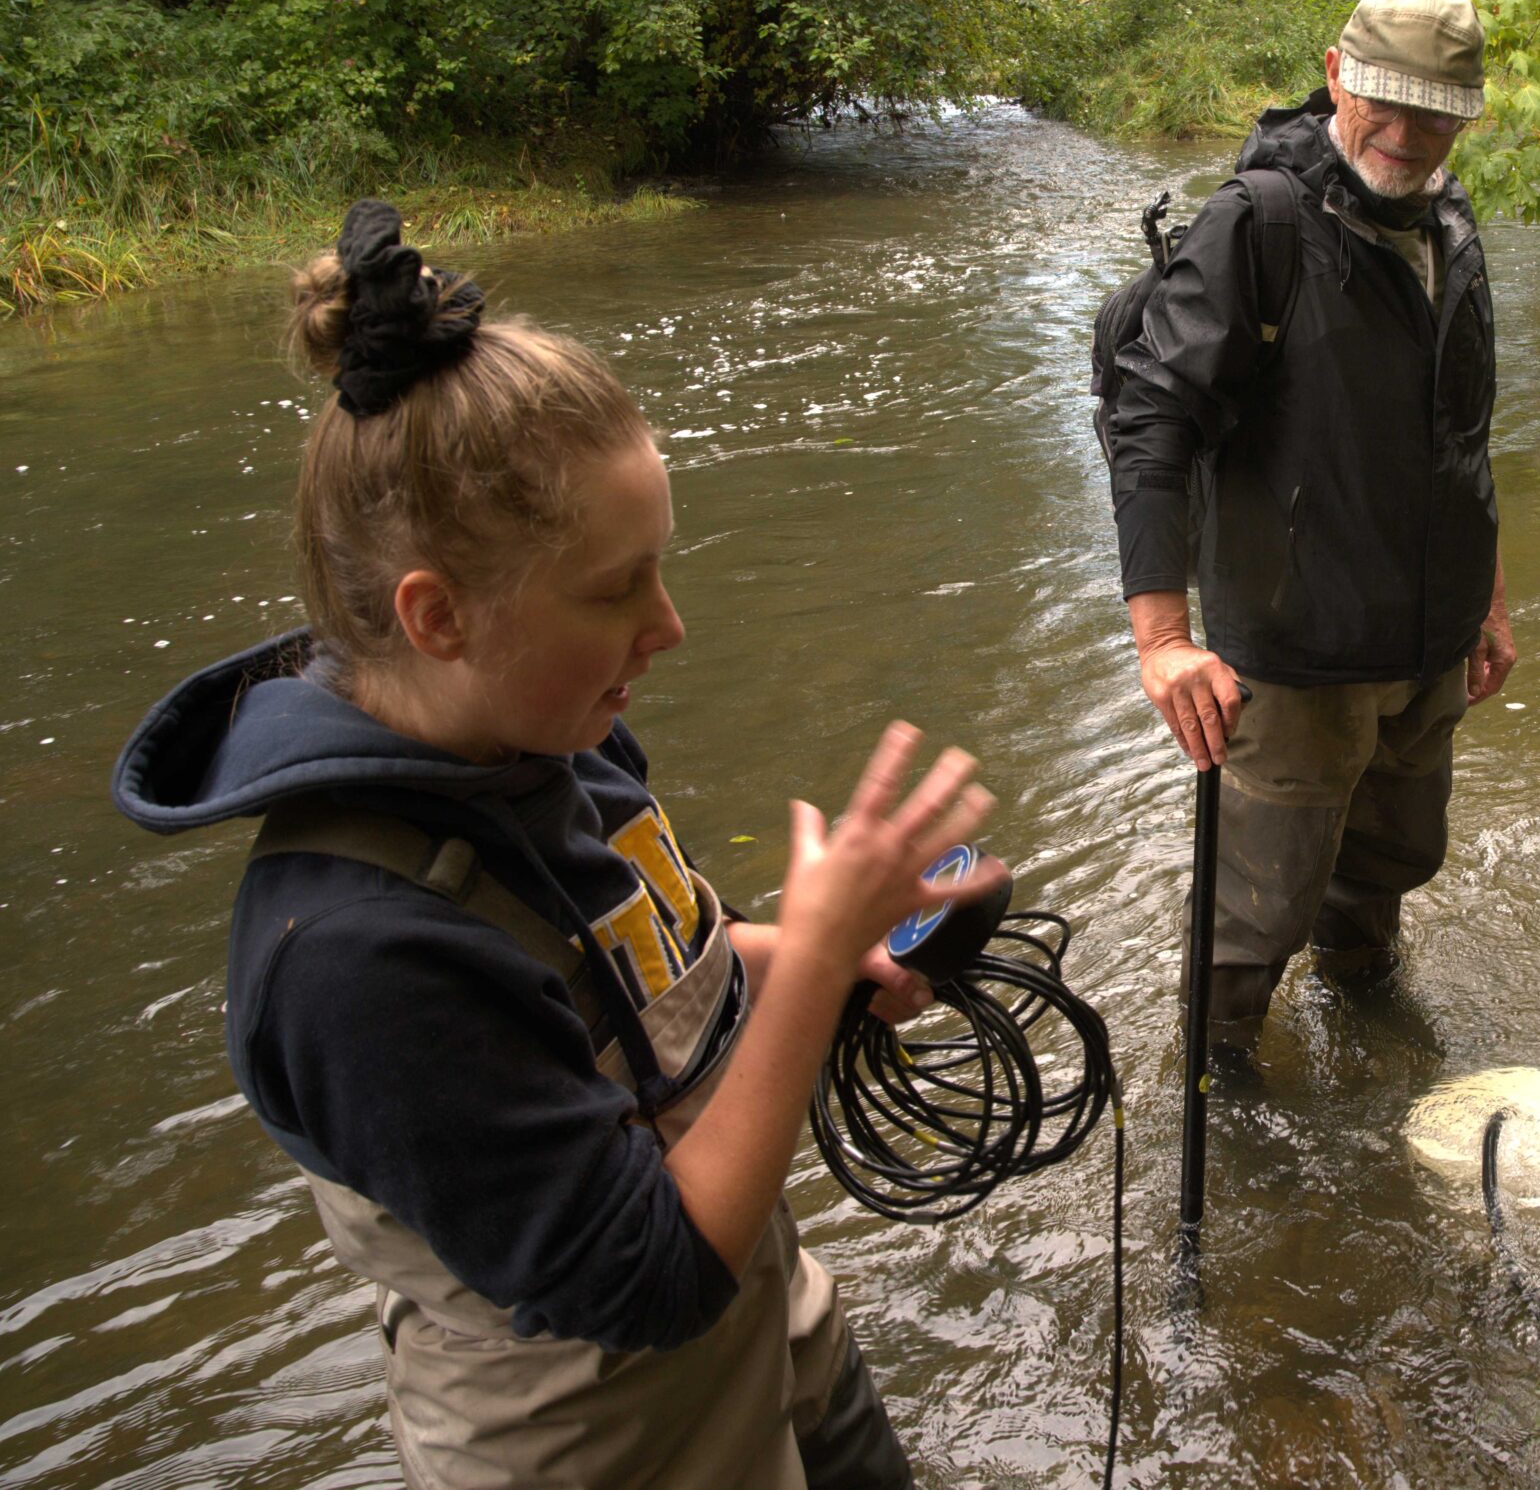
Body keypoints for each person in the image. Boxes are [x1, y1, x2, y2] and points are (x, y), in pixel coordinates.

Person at [112, 201, 1002, 1489]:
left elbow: (629, 980)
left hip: (769, 1318)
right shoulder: (353, 956)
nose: (671, 624)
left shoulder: (555, 730)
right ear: (438, 615)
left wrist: (805, 944)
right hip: (599, 1435)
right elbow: (649, 1274)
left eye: (660, 567)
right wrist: (804, 974)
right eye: (614, 587)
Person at [1107, 0, 1518, 1029]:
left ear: (1468, 114)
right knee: (1252, 918)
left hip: (1424, 645)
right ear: (1335, 73)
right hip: (1290, 660)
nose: (1402, 128)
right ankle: (1226, 1094)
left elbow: (1463, 434)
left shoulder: (1453, 225)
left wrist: (1488, 600)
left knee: (1388, 864)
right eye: (1380, 95)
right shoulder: (1258, 223)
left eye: (1435, 108)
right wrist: (1162, 639)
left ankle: (1369, 1026)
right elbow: (1152, 417)